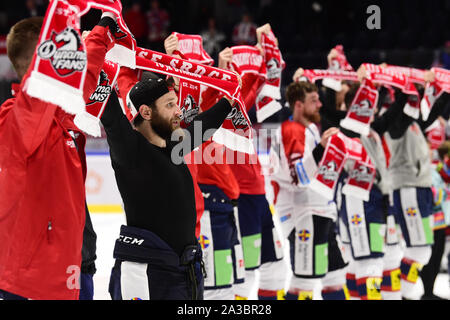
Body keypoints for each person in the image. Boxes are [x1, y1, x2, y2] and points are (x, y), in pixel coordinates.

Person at [0, 13, 117, 300]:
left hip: (68, 266)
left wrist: (103, 30)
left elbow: (88, 81)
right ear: (45, 59)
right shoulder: (10, 117)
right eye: (63, 54)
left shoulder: (63, 113)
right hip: (28, 279)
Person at [104, 58, 241, 300]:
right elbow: (112, 116)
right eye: (169, 105)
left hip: (183, 272)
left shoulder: (173, 146)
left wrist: (229, 98)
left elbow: (203, 125)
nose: (178, 111)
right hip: (148, 276)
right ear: (146, 112)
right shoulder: (130, 151)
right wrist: (95, 63)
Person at [270, 80, 349, 300]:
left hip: (320, 210)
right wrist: (321, 149)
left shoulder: (311, 128)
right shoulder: (292, 131)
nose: (319, 105)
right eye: (313, 101)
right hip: (304, 213)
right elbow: (298, 177)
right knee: (304, 281)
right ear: (298, 105)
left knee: (333, 275)